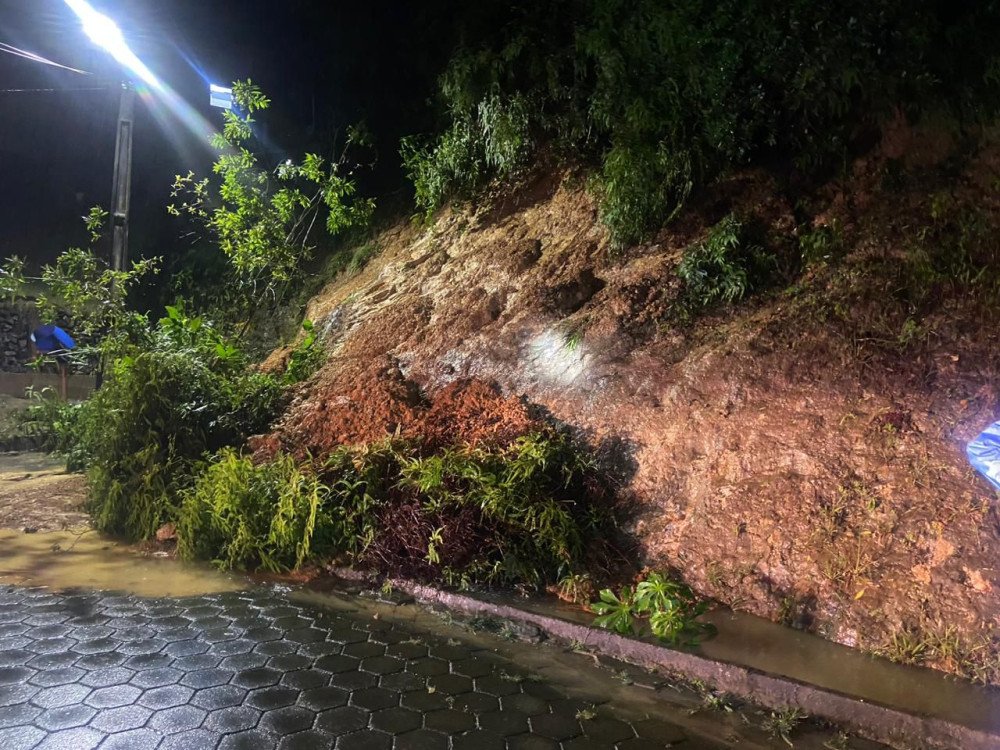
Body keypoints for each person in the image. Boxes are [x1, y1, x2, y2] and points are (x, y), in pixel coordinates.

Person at [30, 324, 75, 400]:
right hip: (57, 351)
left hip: (55, 352)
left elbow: (34, 342)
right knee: (63, 373)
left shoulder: (39, 334)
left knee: (62, 372)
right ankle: (63, 397)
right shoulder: (55, 333)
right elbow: (69, 345)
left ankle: (63, 397)